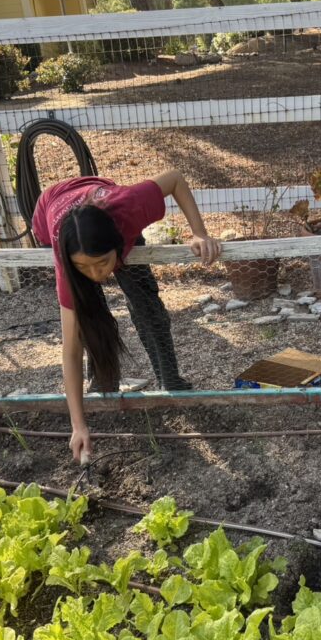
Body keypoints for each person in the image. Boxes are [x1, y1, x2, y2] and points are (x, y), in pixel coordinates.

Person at [32, 170, 221, 463]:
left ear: (119, 245)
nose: (96, 274)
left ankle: (170, 381)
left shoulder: (129, 208)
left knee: (146, 305)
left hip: (104, 212)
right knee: (91, 317)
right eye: (84, 267)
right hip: (52, 211)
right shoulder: (68, 262)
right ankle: (103, 387)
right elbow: (70, 350)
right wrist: (78, 426)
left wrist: (199, 232)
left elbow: (174, 179)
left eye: (102, 263)